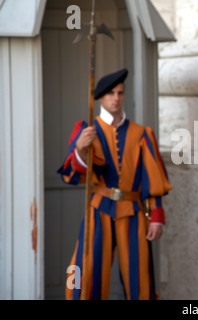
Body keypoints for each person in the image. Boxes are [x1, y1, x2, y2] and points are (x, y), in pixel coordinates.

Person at [58, 68, 172, 300]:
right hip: (99, 208)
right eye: (110, 93)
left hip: (134, 211)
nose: (116, 98)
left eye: (120, 92)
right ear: (100, 97)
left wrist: (157, 217)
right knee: (86, 267)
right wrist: (80, 147)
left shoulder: (142, 133)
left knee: (140, 274)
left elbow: (152, 178)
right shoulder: (86, 131)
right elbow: (71, 175)